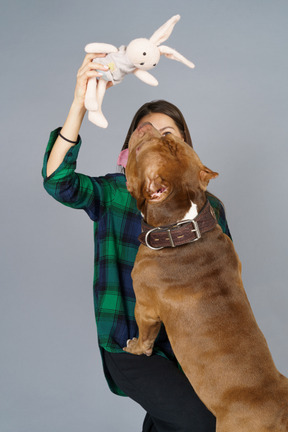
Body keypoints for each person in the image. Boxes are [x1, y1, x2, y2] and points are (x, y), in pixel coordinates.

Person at [42, 53, 232, 432]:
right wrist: (81, 101)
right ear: (129, 148)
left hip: (189, 351)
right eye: (144, 131)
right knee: (203, 423)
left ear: (185, 151)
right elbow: (57, 180)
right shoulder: (115, 194)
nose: (155, 138)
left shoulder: (210, 207)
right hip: (130, 345)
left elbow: (222, 289)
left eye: (168, 135)